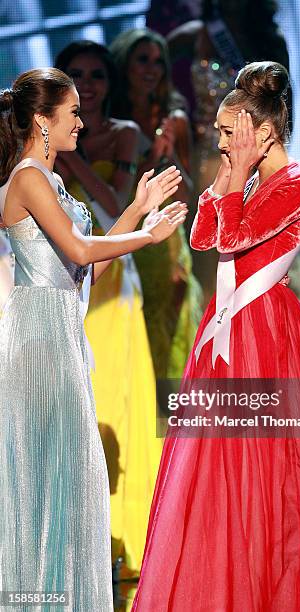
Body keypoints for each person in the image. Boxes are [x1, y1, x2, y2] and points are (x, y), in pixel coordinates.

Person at [132, 62, 300, 611]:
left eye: (229, 131)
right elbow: (206, 235)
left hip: (269, 335)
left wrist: (234, 177)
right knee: (222, 468)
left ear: (264, 130)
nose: (221, 140)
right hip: (226, 332)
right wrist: (227, 176)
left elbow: (234, 233)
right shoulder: (246, 179)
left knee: (275, 471)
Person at [0, 67, 186, 609]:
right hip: (36, 345)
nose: (82, 123)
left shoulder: (51, 182)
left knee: (68, 480)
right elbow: (82, 253)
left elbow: (80, 276)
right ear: (42, 120)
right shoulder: (28, 178)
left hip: (59, 338)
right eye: (74, 113)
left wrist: (135, 208)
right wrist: (147, 235)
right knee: (42, 481)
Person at [54, 40, 162, 574]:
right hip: (60, 287)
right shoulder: (38, 151)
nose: (89, 84)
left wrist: (69, 156)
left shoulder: (124, 135)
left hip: (114, 278)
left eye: (97, 75)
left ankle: (123, 540)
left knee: (116, 403)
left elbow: (117, 208)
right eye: (77, 74)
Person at [166, 0, 300, 317]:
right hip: (211, 159)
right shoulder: (194, 35)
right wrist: (175, 108)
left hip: (262, 160)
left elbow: (286, 112)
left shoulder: (268, 40)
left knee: (269, 257)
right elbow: (149, 69)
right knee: (214, 267)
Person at [110, 28, 202, 379]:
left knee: (171, 327)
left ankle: (168, 416)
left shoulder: (173, 119)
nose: (151, 69)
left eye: (158, 62)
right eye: (142, 60)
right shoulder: (107, 120)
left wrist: (166, 155)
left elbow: (187, 190)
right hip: (123, 235)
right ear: (124, 64)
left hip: (165, 241)